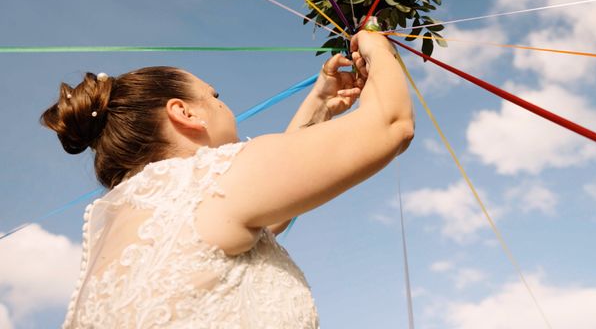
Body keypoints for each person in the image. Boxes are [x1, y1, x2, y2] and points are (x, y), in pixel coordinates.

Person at [41, 31, 414, 328]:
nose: (223, 103)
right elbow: (391, 125)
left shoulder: (129, 215)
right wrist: (375, 42)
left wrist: (319, 104)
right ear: (184, 112)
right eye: (213, 95)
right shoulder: (205, 181)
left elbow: (266, 215)